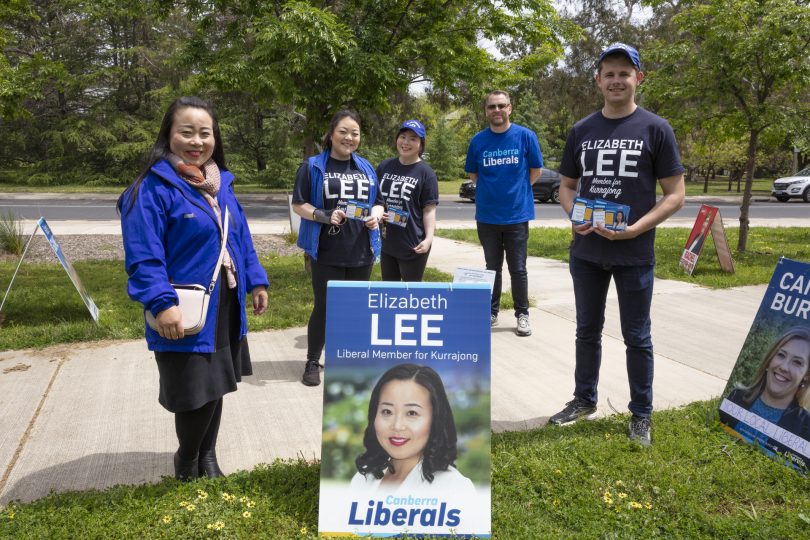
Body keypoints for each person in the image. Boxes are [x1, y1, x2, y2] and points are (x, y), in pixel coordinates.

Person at [119, 96, 269, 480]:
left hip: (224, 303)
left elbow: (240, 238)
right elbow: (143, 255)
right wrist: (160, 301)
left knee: (216, 383)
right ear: (168, 135)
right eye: (187, 132)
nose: (197, 141)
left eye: (205, 133)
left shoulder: (220, 184)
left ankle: (208, 457)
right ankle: (186, 462)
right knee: (193, 392)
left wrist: (255, 279)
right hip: (182, 308)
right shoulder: (152, 188)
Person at [548, 44, 685, 447]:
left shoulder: (656, 129)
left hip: (634, 253)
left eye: (624, 73)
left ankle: (641, 413)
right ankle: (583, 399)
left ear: (638, 78)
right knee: (586, 331)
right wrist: (576, 216)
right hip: (587, 253)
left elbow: (675, 194)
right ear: (598, 80)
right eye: (609, 73)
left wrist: (635, 229)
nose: (616, 80)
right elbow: (566, 187)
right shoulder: (581, 130)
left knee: (637, 336)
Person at [293, 110, 384, 387]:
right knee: (324, 306)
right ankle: (312, 361)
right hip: (327, 249)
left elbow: (378, 202)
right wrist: (323, 214)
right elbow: (299, 204)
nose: (349, 137)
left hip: (361, 250)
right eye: (343, 131)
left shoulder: (366, 167)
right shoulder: (312, 167)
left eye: (355, 133)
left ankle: (348, 361)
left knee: (354, 308)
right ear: (331, 133)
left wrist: (376, 216)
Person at [464, 91, 543, 336]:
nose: (496, 110)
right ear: (486, 111)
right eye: (491, 107)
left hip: (517, 216)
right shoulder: (478, 141)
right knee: (492, 267)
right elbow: (474, 175)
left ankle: (522, 315)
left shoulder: (525, 136)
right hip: (487, 216)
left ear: (509, 108)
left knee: (518, 268)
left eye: (501, 106)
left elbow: (535, 171)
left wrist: (517, 192)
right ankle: (491, 312)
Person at [351, 364, 475, 495]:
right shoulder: (362, 479)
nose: (397, 426)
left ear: (435, 419)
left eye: (411, 413)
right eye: (387, 411)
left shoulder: (454, 488)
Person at [720, 328, 810, 469]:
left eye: (797, 362)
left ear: (807, 375)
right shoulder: (736, 396)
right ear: (770, 360)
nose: (784, 367)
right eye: (781, 355)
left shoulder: (806, 427)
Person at [376, 119, 439, 282]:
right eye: (403, 137)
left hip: (413, 244)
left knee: (411, 295)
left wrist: (428, 239)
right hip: (388, 242)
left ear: (420, 144)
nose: (406, 142)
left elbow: (429, 210)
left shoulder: (426, 173)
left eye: (413, 138)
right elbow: (376, 200)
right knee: (389, 293)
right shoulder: (385, 166)